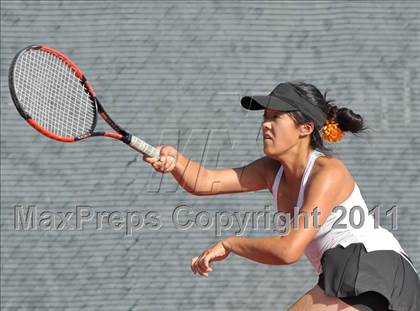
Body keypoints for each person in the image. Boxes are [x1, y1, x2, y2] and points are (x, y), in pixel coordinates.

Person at [143, 82, 420, 311]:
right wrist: (175, 160)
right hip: (361, 274)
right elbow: (204, 181)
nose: (265, 125)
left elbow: (288, 250)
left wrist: (230, 244)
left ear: (306, 128)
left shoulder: (328, 172)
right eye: (265, 117)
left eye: (276, 117)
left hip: (372, 267)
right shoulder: (270, 171)